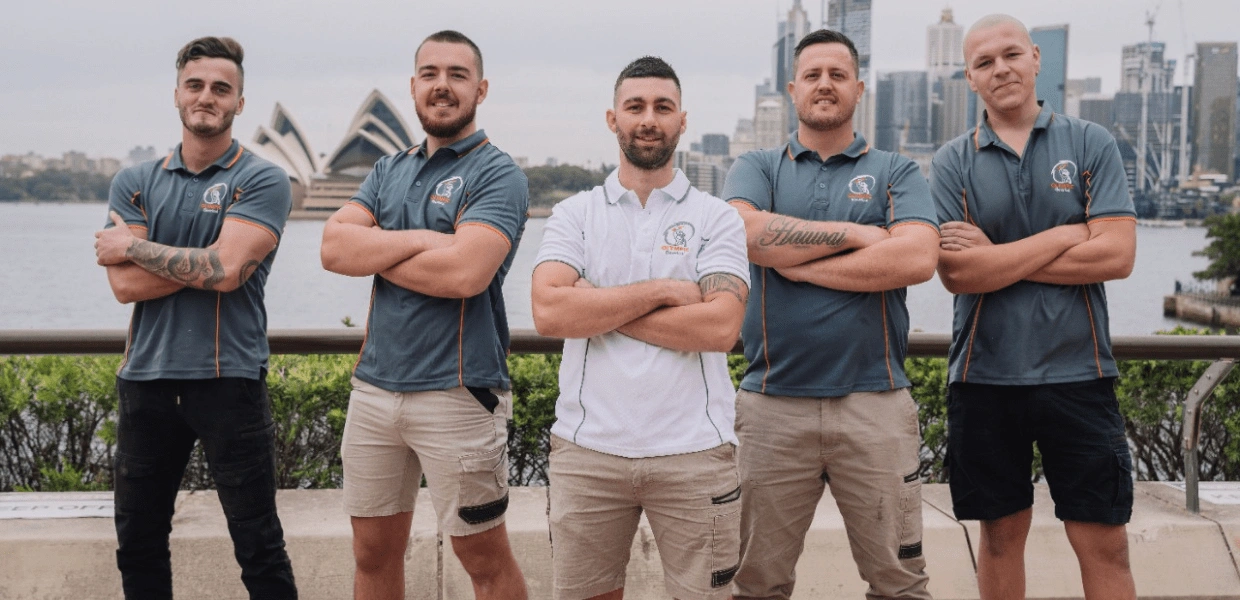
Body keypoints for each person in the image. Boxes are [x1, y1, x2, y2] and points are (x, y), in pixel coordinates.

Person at [721, 29, 940, 600]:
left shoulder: (897, 171)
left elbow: (916, 255)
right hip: (771, 406)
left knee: (900, 583)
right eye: (813, 75)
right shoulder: (758, 165)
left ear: (859, 89)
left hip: (876, 404)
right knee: (755, 584)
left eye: (838, 75)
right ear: (793, 89)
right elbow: (745, 232)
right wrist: (855, 234)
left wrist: (795, 264)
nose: (824, 85)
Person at [930, 14, 1138, 600]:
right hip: (984, 377)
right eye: (984, 63)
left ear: (1036, 59)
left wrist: (999, 256)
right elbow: (959, 273)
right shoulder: (952, 160)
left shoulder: (1089, 141)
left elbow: (1118, 256)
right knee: (998, 539)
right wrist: (1069, 235)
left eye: (1011, 55)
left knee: (1104, 541)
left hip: (1081, 372)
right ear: (969, 78)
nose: (1001, 69)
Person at [319, 30, 529, 600]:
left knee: (482, 557)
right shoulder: (388, 169)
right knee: (372, 554)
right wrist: (430, 242)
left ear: (480, 89)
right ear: (413, 87)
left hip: (458, 393)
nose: (442, 86)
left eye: (457, 75)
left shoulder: (497, 173)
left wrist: (380, 248)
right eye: (430, 74)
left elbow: (465, 274)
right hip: (374, 390)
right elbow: (335, 249)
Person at [531, 56, 750, 600]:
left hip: (695, 454)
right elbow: (551, 313)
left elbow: (721, 326)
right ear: (613, 119)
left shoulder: (717, 217)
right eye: (635, 107)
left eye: (662, 107)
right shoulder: (574, 214)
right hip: (587, 453)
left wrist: (598, 306)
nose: (648, 118)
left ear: (682, 120)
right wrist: (661, 292)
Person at [93, 36, 297, 599]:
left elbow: (229, 271)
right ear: (178, 93)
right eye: (196, 85)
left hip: (228, 379)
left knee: (258, 545)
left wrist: (134, 247)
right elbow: (125, 288)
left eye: (221, 88)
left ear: (239, 102)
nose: (207, 96)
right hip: (146, 382)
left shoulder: (263, 179)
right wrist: (208, 261)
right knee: (137, 542)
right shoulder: (134, 181)